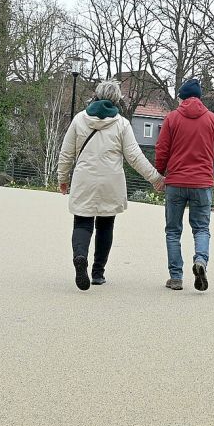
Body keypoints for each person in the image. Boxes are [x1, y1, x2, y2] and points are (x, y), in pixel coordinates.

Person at [58, 80, 163, 291]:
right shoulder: (121, 124)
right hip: (111, 181)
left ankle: (80, 257)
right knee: (106, 225)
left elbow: (66, 152)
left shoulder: (80, 119)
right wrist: (156, 178)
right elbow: (134, 156)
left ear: (96, 96)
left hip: (84, 179)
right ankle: (98, 273)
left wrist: (63, 178)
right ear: (116, 99)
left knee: (82, 223)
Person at [154, 78, 214, 291]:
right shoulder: (213, 120)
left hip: (176, 182)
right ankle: (201, 261)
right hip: (202, 183)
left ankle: (176, 277)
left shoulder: (172, 118)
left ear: (182, 97)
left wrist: (160, 172)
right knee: (201, 228)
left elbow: (162, 149)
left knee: (173, 231)